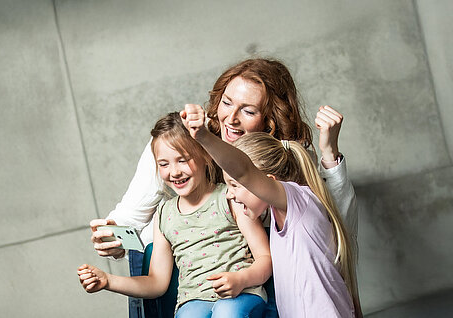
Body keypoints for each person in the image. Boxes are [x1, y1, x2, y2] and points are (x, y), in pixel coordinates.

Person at [90, 58, 358, 317]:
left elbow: (335, 227)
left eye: (248, 110)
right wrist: (116, 242)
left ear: (270, 121)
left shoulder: (285, 161)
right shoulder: (183, 140)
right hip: (185, 277)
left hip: (257, 278)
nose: (230, 118)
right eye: (226, 103)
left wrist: (330, 154)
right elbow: (131, 216)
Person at [78, 112, 272, 318]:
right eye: (164, 164)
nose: (174, 172)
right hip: (193, 302)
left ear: (206, 156)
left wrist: (241, 279)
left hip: (243, 294)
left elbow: (265, 258)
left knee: (226, 312)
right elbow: (156, 283)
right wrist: (108, 280)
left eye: (183, 160)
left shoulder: (229, 198)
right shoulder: (164, 215)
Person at [181, 104, 361, 317]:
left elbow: (244, 170)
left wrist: (203, 136)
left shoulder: (298, 200)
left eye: (235, 185)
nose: (229, 194)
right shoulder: (279, 216)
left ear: (268, 182)